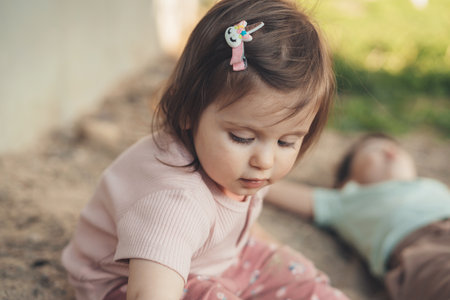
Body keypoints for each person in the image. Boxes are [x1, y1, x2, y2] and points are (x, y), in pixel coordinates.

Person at [61, 0, 349, 299]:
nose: (265, 160)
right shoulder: (174, 202)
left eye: (286, 142)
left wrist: (269, 251)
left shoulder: (236, 163)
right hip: (138, 278)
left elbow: (233, 221)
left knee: (300, 276)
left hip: (214, 258)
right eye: (241, 137)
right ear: (187, 110)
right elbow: (148, 293)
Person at [265, 133, 450, 300]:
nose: (390, 150)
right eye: (373, 149)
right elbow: (280, 191)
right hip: (422, 249)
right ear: (348, 181)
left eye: (396, 147)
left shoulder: (431, 185)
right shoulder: (347, 200)